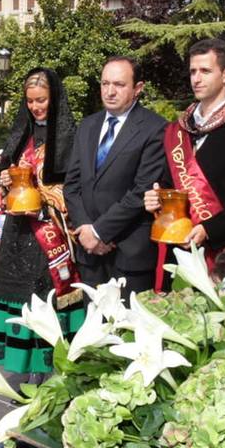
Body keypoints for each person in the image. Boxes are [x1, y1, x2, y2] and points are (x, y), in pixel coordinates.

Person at [145, 38, 225, 282]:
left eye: (205, 71)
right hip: (180, 254)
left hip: (224, 258)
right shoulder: (178, 129)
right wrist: (158, 198)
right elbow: (169, 183)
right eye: (193, 71)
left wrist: (209, 229)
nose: (196, 78)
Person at [0, 68, 85, 378]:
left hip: (50, 237)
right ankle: (24, 374)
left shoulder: (71, 136)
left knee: (47, 303)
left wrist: (46, 201)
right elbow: (3, 178)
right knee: (19, 304)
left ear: (54, 99)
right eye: (30, 101)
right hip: (18, 236)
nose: (35, 107)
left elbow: (75, 188)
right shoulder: (21, 135)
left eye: (41, 100)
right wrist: (3, 179)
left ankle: (52, 375)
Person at [64, 56, 168, 295]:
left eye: (119, 85)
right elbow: (72, 185)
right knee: (93, 328)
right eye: (104, 83)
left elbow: (142, 190)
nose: (110, 91)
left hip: (129, 254)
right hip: (89, 254)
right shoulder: (87, 126)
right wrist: (86, 231)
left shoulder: (155, 128)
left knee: (127, 330)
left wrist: (100, 231)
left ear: (137, 88)